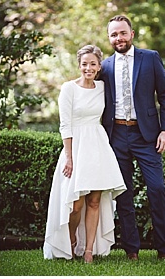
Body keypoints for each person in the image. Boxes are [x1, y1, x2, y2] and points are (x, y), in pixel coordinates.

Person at [99, 15, 165, 262]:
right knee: (124, 195)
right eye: (113, 34)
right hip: (117, 135)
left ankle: (164, 250)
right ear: (109, 38)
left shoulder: (150, 58)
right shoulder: (106, 66)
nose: (118, 38)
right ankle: (131, 250)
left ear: (132, 33)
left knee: (156, 190)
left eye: (122, 33)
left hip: (147, 136)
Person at [43, 45, 127, 263]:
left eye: (92, 64)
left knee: (95, 201)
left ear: (99, 67)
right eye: (84, 64)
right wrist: (69, 157)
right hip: (76, 147)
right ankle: (71, 241)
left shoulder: (103, 88)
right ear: (79, 65)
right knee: (76, 203)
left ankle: (89, 249)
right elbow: (65, 125)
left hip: (98, 145)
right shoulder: (68, 88)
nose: (88, 68)